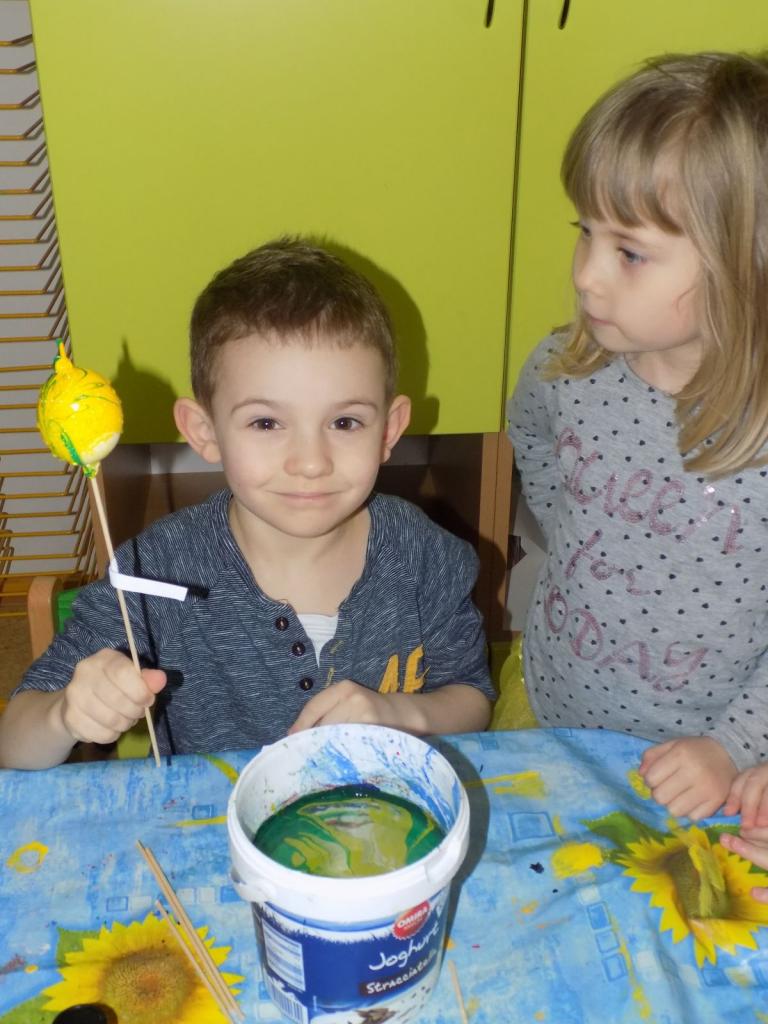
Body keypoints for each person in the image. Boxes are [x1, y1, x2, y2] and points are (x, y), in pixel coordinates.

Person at [0, 238, 493, 769]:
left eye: (345, 422)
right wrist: (66, 716)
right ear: (204, 432)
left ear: (389, 430)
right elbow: (14, 744)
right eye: (266, 423)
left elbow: (472, 698)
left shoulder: (424, 555)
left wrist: (401, 713)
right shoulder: (155, 573)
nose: (311, 462)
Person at [507, 52, 768, 822]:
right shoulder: (564, 367)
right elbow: (535, 441)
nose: (587, 274)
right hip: (547, 702)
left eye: (628, 251)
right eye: (585, 232)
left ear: (745, 265)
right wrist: (584, 533)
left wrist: (734, 746)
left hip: (706, 764)